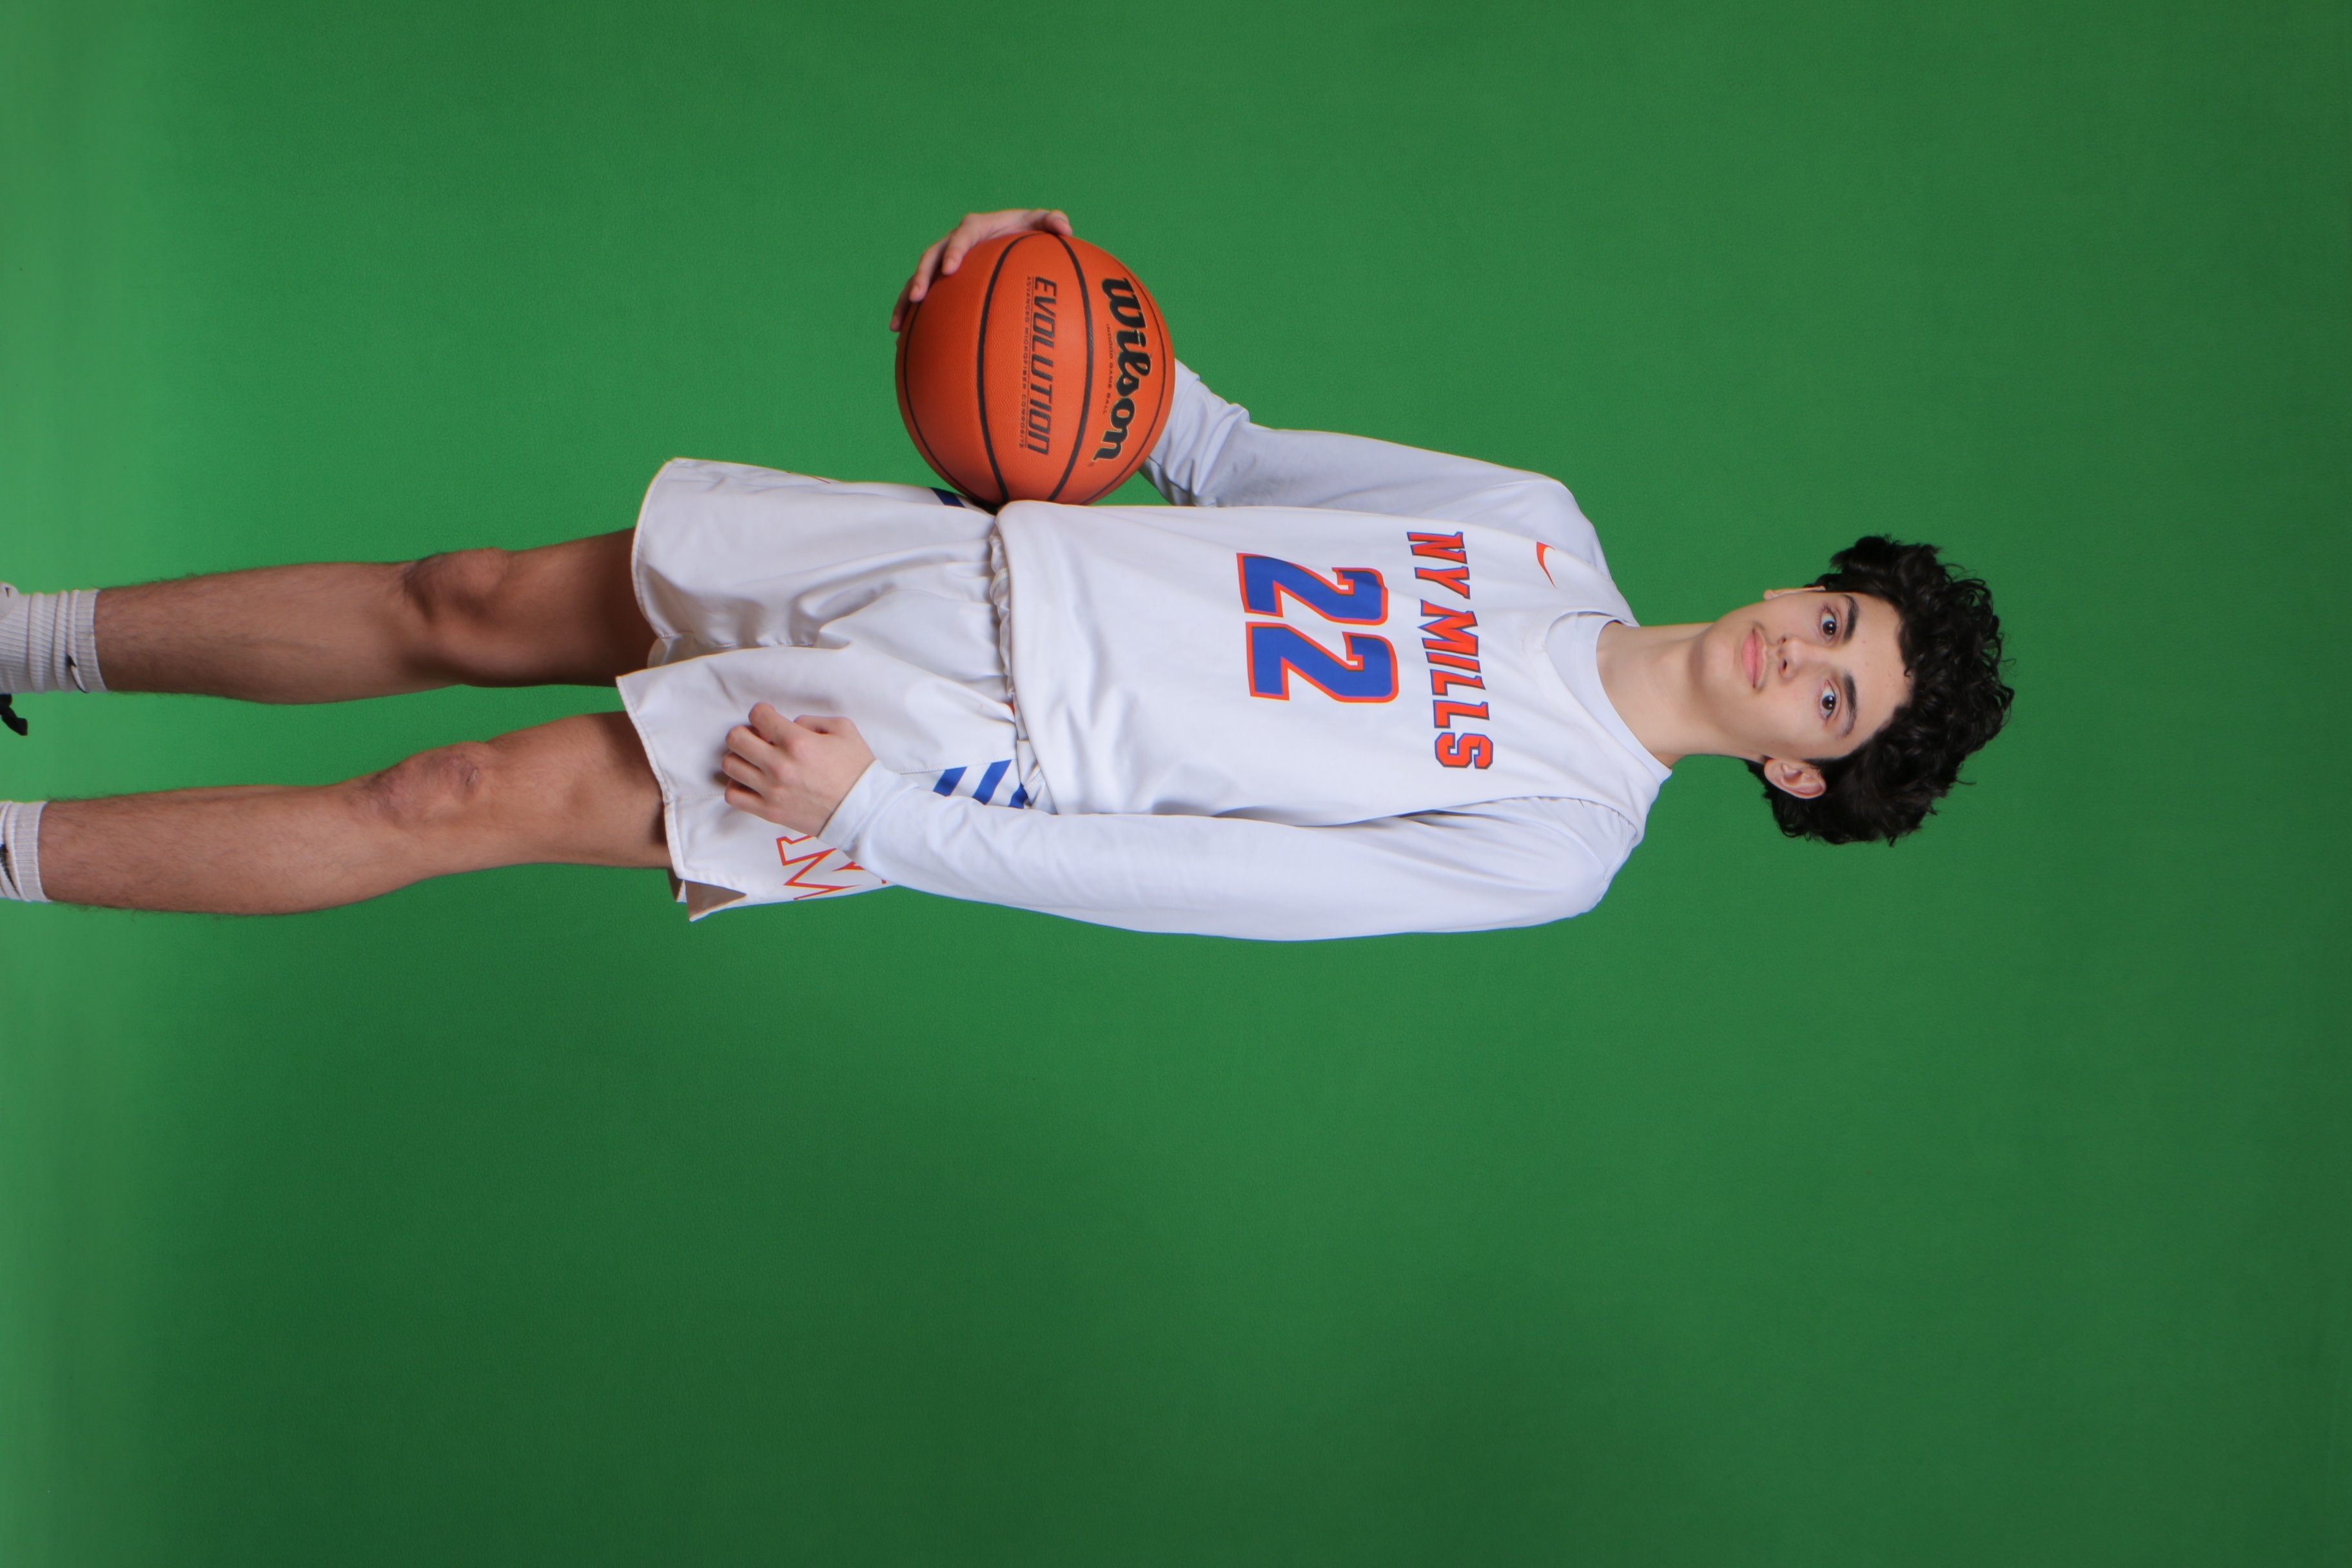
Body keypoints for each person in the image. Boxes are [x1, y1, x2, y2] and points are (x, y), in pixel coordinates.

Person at [0, 209, 2011, 941]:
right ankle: (18, 636)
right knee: (460, 594)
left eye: (1834, 699)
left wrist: (881, 820)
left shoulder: (1557, 840)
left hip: (960, 747)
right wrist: (1064, 292)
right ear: (1808, 586)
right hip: (966, 553)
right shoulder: (1532, 523)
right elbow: (1216, 453)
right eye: (1835, 619)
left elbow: (1198, 885)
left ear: (1800, 772)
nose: (1801, 654)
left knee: (444, 798)